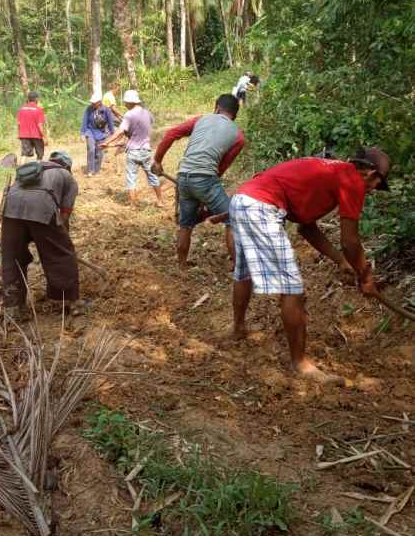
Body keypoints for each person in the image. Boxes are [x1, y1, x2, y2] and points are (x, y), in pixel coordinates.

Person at [229, 147, 390, 382]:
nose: (374, 189)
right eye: (378, 182)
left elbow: (307, 228)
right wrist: (365, 276)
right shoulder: (352, 179)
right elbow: (350, 240)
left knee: (244, 271)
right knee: (292, 289)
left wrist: (341, 261)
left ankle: (238, 328)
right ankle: (301, 365)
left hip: (244, 199)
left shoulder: (332, 172)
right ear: (369, 172)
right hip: (262, 207)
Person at [152, 94, 245, 269]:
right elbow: (220, 168)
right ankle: (239, 267)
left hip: (183, 177)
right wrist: (205, 194)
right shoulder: (238, 136)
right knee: (232, 218)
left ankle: (181, 265)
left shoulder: (201, 119)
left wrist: (157, 160)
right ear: (235, 115)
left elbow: (171, 133)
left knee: (185, 224)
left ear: (216, 107)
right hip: (205, 178)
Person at [1, 150, 82, 319]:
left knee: (13, 257)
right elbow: (64, 216)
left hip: (11, 210)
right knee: (61, 255)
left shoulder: (32, 168)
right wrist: (62, 240)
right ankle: (68, 301)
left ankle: (13, 308)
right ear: (68, 166)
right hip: (41, 208)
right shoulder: (67, 176)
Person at [100, 89, 164, 207]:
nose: (124, 104)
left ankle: (133, 204)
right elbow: (149, 124)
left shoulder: (129, 115)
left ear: (130, 102)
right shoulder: (147, 113)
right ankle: (160, 201)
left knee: (131, 178)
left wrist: (107, 142)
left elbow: (120, 131)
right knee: (153, 176)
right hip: (146, 150)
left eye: (125, 102)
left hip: (133, 152)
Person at [80, 92, 115, 176]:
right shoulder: (89, 109)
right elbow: (85, 121)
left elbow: (110, 123)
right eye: (92, 102)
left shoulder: (106, 111)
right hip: (90, 131)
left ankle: (96, 170)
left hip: (101, 133)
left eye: (94, 103)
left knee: (99, 153)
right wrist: (82, 133)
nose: (92, 104)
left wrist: (113, 135)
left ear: (99, 102)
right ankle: (90, 170)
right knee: (91, 149)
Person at [17, 90, 47, 163]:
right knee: (39, 155)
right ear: (36, 99)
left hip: (24, 135)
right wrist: (44, 137)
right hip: (37, 136)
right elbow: (40, 125)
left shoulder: (21, 109)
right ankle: (38, 169)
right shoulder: (39, 110)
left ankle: (21, 170)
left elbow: (18, 124)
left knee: (24, 154)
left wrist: (19, 134)